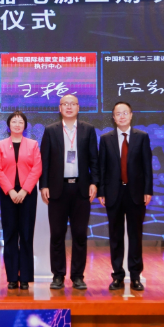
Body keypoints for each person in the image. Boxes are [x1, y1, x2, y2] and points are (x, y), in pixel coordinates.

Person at [39, 94, 99, 290]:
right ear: (60, 108)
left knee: (80, 234)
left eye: (73, 104)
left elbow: (94, 160)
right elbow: (44, 160)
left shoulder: (88, 129)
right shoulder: (50, 130)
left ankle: (77, 276)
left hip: (81, 189)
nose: (69, 107)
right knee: (57, 234)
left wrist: (94, 182)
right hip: (58, 189)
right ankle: (58, 275)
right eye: (65, 104)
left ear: (78, 107)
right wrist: (44, 185)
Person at [98, 101, 153, 291]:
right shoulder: (106, 139)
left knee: (135, 235)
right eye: (118, 114)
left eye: (125, 113)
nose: (121, 116)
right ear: (113, 118)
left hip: (136, 193)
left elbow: (147, 167)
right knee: (115, 236)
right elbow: (102, 168)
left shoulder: (142, 137)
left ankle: (135, 276)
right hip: (113, 193)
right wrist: (101, 191)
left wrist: (148, 190)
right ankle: (117, 276)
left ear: (131, 115)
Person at [0, 111, 42, 290]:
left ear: (25, 125)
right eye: (13, 121)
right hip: (8, 195)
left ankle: (26, 277)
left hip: (27, 195)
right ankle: (12, 277)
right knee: (10, 235)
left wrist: (23, 190)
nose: (17, 124)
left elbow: (37, 168)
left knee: (26, 235)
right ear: (9, 126)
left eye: (20, 122)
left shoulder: (33, 144)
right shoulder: (0, 145)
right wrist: (10, 191)